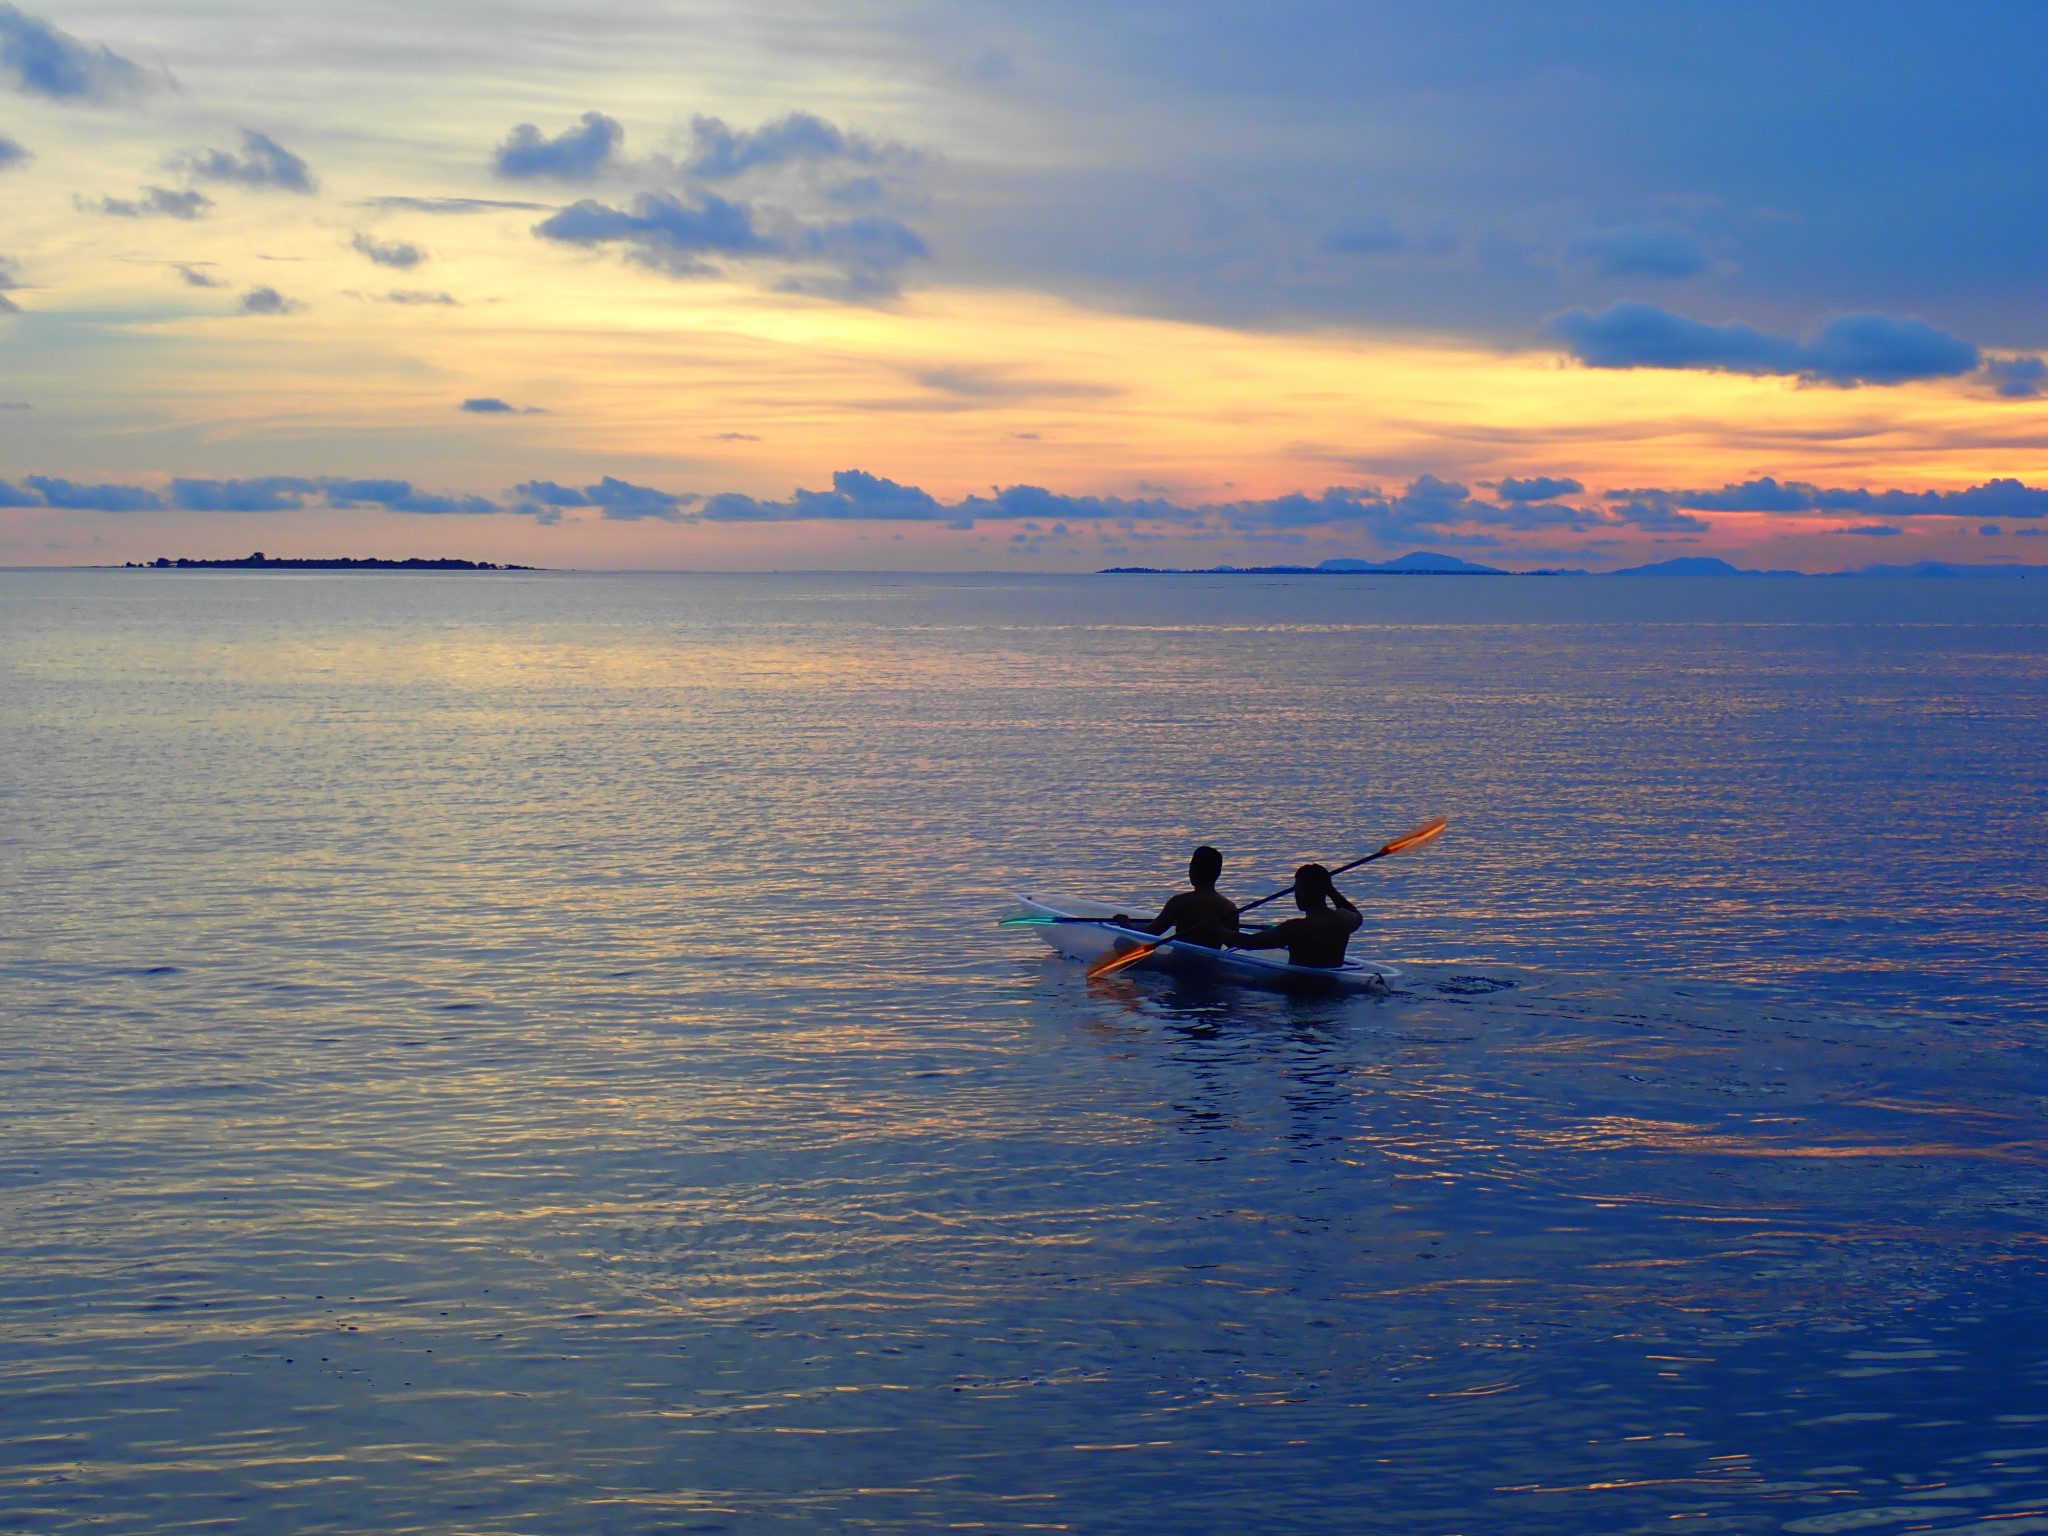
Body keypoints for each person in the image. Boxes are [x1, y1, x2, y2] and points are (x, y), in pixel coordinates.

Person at [1227, 863, 1361, 968]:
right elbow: (1357, 915)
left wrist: (1218, 930)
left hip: (1298, 990)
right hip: (1331, 987)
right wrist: (1331, 890)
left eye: (1297, 889)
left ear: (1303, 890)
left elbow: (1249, 943)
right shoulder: (1344, 919)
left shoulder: (1297, 928)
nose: (1295, 894)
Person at [1110, 845, 1241, 950]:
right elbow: (1232, 944)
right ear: (1218, 873)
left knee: (1121, 943)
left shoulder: (1180, 902)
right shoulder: (1230, 907)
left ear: (1193, 871)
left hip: (1177, 964)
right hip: (1209, 968)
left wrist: (1126, 924)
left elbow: (1151, 933)